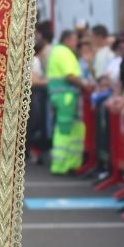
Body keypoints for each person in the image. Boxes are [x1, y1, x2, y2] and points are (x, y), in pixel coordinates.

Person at [43, 27, 86, 176]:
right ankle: (62, 164)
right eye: (75, 39)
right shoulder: (64, 52)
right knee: (65, 129)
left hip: (63, 95)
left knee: (71, 128)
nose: (77, 43)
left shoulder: (58, 51)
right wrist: (85, 85)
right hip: (66, 96)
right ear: (67, 39)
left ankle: (70, 163)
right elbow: (70, 76)